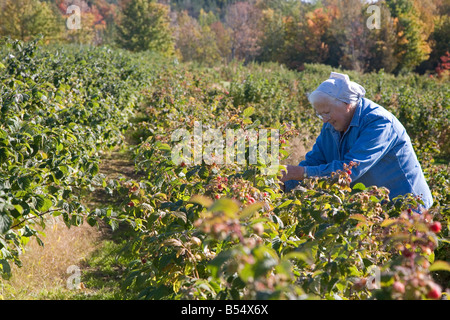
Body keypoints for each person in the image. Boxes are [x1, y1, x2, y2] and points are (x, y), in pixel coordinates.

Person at [280, 72, 433, 210]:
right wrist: (282, 184)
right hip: (372, 208)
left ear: (347, 104)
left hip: (407, 207)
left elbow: (349, 171)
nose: (325, 120)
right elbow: (315, 161)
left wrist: (300, 173)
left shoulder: (378, 123)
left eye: (327, 112)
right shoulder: (330, 126)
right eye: (321, 115)